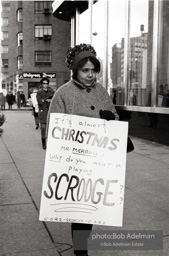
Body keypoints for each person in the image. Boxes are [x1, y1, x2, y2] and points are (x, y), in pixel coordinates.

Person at [46, 43, 119, 256]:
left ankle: (82, 246)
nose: (90, 75)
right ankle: (80, 250)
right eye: (85, 70)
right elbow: (54, 129)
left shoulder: (102, 91)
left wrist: (111, 119)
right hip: (74, 163)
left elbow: (114, 116)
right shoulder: (63, 93)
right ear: (76, 70)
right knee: (79, 212)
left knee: (92, 210)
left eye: (93, 70)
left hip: (98, 161)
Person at [36, 77, 54, 149]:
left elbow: (54, 100)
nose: (45, 85)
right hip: (43, 112)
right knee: (43, 128)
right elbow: (39, 101)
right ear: (41, 84)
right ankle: (43, 143)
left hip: (50, 111)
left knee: (50, 129)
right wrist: (46, 100)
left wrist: (49, 100)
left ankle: (49, 143)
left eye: (46, 83)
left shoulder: (51, 91)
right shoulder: (39, 92)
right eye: (44, 83)